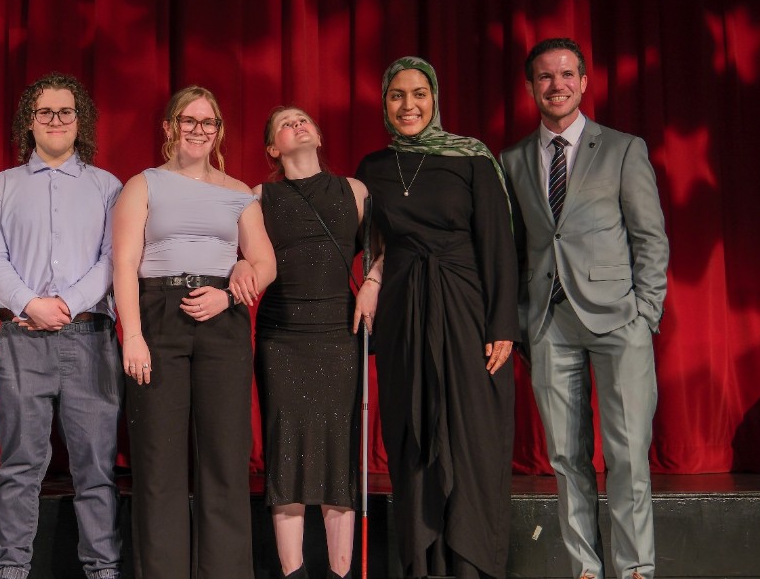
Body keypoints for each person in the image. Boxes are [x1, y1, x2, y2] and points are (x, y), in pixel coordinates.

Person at [500, 38, 669, 579]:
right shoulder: (513, 160)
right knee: (566, 459)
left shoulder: (622, 149)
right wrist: (523, 320)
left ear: (585, 82)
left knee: (627, 455)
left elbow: (650, 237)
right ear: (531, 87)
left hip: (620, 322)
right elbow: (512, 249)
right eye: (545, 77)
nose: (557, 85)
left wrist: (646, 312)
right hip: (550, 325)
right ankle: (585, 570)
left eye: (567, 74)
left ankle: (635, 568)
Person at [353, 56, 518, 579]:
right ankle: (424, 565)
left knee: (472, 438)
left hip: (467, 309)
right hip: (404, 312)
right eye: (397, 95)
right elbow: (371, 244)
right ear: (385, 103)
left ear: (435, 99)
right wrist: (373, 281)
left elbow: (498, 244)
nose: (409, 105)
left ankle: (472, 565)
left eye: (419, 94)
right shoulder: (373, 167)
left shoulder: (470, 158)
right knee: (412, 435)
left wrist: (502, 325)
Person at [111, 85, 277, 579]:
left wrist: (231, 293)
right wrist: (133, 335)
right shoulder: (143, 184)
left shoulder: (239, 192)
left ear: (219, 131)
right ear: (170, 127)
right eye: (189, 120)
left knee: (224, 458)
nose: (199, 130)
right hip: (159, 316)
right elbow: (124, 265)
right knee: (159, 462)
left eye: (209, 122)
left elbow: (265, 262)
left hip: (222, 320)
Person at [0, 72, 124, 579]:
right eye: (45, 112)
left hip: (90, 340)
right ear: (30, 121)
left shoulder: (107, 186)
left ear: (80, 120)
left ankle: (103, 570)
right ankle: (10, 569)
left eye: (66, 111)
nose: (56, 120)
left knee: (96, 469)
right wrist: (31, 303)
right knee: (19, 466)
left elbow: (114, 260)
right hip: (21, 339)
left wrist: (66, 302)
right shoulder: (4, 184)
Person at [252, 106, 373, 579]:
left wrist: (373, 281)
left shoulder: (354, 191)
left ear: (319, 135)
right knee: (286, 454)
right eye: (285, 123)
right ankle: (294, 573)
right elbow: (244, 255)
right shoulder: (259, 196)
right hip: (282, 338)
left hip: (339, 334)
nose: (297, 124)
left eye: (303, 119)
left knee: (339, 455)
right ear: (272, 147)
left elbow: (383, 251)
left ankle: (341, 573)